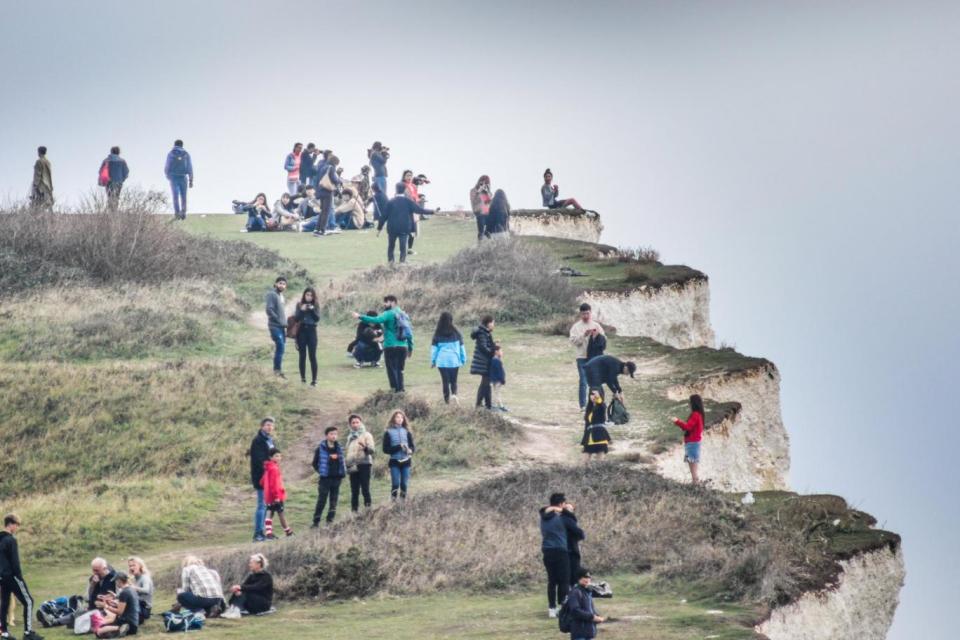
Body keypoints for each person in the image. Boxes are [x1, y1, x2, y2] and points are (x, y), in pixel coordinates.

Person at [353, 296, 413, 392]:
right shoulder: (403, 314)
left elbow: (376, 320)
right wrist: (410, 347)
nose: (384, 304)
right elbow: (409, 332)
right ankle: (401, 391)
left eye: (386, 302)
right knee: (400, 370)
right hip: (403, 347)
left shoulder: (388, 313)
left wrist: (360, 316)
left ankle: (395, 393)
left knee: (391, 371)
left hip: (391, 346)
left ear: (393, 302)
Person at [0, 514, 43, 640]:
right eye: (17, 525)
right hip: (12, 576)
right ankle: (28, 632)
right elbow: (15, 562)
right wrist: (19, 578)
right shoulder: (11, 540)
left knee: (4, 603)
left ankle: (4, 634)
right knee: (29, 601)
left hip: (2, 577)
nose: (17, 528)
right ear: (11, 524)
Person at [376, 185, 435, 264]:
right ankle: (402, 262)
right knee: (403, 247)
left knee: (391, 247)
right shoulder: (408, 201)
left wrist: (379, 229)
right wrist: (432, 211)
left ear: (396, 190)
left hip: (392, 228)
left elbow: (383, 217)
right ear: (405, 190)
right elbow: (420, 210)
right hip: (404, 228)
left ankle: (391, 263)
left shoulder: (390, 202)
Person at [569, 304, 606, 411]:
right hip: (582, 357)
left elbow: (604, 340)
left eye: (588, 313)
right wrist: (583, 335)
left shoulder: (596, 325)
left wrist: (596, 335)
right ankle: (583, 406)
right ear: (580, 314)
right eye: (583, 313)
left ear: (591, 312)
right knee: (583, 381)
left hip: (594, 358)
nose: (586, 315)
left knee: (596, 381)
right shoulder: (576, 327)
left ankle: (598, 403)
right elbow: (572, 341)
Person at [539, 493, 570, 618]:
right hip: (561, 550)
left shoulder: (543, 517)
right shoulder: (561, 518)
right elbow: (571, 515)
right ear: (561, 504)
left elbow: (543, 510)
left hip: (547, 550)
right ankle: (563, 607)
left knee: (552, 581)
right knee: (564, 580)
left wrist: (553, 508)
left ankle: (552, 609)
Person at [311, 427, 346, 526]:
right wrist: (321, 471)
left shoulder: (339, 448)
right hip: (325, 479)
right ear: (327, 435)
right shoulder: (320, 448)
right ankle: (316, 522)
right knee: (322, 500)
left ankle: (330, 521)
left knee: (334, 500)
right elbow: (314, 463)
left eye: (335, 434)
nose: (334, 436)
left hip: (337, 478)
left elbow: (343, 461)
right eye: (331, 434)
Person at [249, 417, 277, 542]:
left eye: (271, 425)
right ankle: (258, 534)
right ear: (262, 426)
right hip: (261, 477)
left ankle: (265, 533)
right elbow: (259, 460)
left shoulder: (270, 440)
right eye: (267, 425)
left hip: (270, 476)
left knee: (266, 505)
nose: (269, 427)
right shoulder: (258, 440)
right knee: (262, 505)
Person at [430, 311, 467, 405]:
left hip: (442, 361)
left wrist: (433, 361)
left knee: (445, 382)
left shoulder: (437, 334)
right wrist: (463, 359)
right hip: (454, 361)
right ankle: (454, 396)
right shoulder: (457, 333)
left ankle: (447, 402)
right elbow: (462, 347)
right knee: (454, 381)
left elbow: (434, 350)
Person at [382, 410, 415, 501]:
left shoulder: (407, 431)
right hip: (394, 462)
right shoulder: (388, 432)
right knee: (395, 484)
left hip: (406, 461)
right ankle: (393, 503)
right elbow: (385, 450)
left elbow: (412, 447)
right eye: (397, 417)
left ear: (404, 419)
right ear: (393, 419)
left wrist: (410, 450)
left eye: (401, 417)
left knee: (404, 484)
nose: (400, 419)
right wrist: (398, 447)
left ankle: (402, 504)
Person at [672, 394, 705, 484]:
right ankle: (696, 486)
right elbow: (691, 428)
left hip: (692, 445)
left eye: (689, 402)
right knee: (694, 468)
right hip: (694, 444)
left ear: (693, 404)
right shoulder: (699, 415)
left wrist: (677, 421)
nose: (688, 404)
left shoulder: (695, 415)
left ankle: (696, 487)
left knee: (693, 471)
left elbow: (688, 427)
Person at [345, 414, 375, 511]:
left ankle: (368, 511)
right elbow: (348, 451)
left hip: (364, 464)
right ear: (350, 424)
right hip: (352, 466)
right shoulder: (349, 437)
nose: (355, 424)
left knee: (365, 488)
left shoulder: (367, 435)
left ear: (360, 422)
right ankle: (354, 513)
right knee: (354, 491)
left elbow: (372, 450)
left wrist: (365, 447)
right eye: (353, 422)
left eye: (357, 422)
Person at [261, 448, 293, 538]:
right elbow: (273, 484)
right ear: (271, 457)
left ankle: (268, 533)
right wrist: (276, 496)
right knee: (281, 513)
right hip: (276, 496)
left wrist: (266, 490)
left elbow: (262, 482)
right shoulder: (274, 468)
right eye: (276, 456)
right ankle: (288, 532)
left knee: (270, 512)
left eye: (280, 456)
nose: (279, 458)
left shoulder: (268, 467)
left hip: (268, 496)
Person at [95, 572, 138, 638]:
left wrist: (106, 606)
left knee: (98, 632)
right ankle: (119, 629)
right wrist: (114, 603)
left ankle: (119, 628)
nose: (115, 583)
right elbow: (128, 606)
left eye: (116, 581)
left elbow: (120, 612)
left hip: (128, 623)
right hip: (133, 623)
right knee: (101, 628)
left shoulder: (124, 592)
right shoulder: (131, 589)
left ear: (119, 581)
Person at [566, 568, 605, 640]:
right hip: (579, 633)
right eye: (585, 577)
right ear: (579, 578)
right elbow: (575, 611)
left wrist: (597, 616)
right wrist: (592, 617)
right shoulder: (575, 592)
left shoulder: (587, 592)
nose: (587, 580)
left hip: (588, 632)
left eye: (589, 577)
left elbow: (591, 609)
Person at [294, 287, 320, 386]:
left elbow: (317, 319)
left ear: (313, 296)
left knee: (312, 355)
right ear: (304, 295)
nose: (309, 297)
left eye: (311, 295)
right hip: (301, 331)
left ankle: (314, 380)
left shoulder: (316, 304)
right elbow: (296, 319)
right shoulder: (299, 304)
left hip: (312, 330)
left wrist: (312, 310)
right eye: (307, 295)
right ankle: (303, 379)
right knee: (302, 355)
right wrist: (302, 310)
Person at [469, 315, 496, 409]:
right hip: (483, 363)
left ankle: (487, 405)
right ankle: (479, 405)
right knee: (485, 384)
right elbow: (483, 348)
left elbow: (486, 346)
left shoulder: (485, 332)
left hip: (485, 362)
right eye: (493, 323)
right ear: (488, 323)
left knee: (486, 384)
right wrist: (493, 351)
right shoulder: (482, 333)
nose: (494, 325)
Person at [314, 155, 343, 236]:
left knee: (322, 211)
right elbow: (334, 179)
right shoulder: (331, 168)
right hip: (327, 191)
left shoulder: (323, 167)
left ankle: (317, 229)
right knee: (326, 212)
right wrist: (339, 180)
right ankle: (322, 230)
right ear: (335, 162)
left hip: (321, 190)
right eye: (336, 164)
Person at [165, 140, 194, 220]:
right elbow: (190, 167)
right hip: (183, 177)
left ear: (174, 145)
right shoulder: (186, 154)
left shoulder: (171, 153)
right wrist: (191, 179)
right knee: (183, 196)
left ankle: (177, 213)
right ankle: (183, 213)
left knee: (175, 196)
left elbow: (167, 165)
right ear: (182, 145)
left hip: (173, 177)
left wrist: (168, 176)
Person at [265, 277, 288, 378]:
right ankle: (277, 371)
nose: (282, 285)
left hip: (282, 327)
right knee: (280, 347)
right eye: (280, 283)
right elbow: (269, 310)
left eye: (283, 284)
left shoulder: (281, 296)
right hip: (275, 326)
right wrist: (278, 320)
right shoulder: (272, 294)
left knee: (281, 349)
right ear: (275, 284)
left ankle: (278, 370)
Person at [581, 389, 611, 461]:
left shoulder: (602, 406)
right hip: (589, 437)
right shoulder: (589, 409)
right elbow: (586, 426)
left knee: (599, 462)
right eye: (591, 394)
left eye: (595, 394)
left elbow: (601, 404)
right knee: (584, 462)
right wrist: (584, 441)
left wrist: (598, 398)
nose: (593, 396)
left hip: (600, 437)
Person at [560, 504, 585, 585]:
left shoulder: (558, 519)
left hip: (561, 550)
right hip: (571, 550)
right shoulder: (568, 519)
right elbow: (580, 533)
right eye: (570, 508)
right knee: (574, 573)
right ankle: (573, 592)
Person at [125, 557, 153, 624]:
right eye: (130, 566)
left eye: (134, 565)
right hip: (137, 605)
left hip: (144, 608)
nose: (131, 568)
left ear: (140, 566)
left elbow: (146, 590)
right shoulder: (134, 578)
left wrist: (134, 588)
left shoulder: (145, 578)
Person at [469, 175, 492, 241]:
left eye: (486, 183)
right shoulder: (473, 191)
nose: (483, 185)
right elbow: (474, 200)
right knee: (481, 232)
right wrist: (478, 191)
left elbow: (489, 203)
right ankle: (479, 246)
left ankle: (488, 246)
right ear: (478, 182)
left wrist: (488, 191)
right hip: (479, 213)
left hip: (487, 213)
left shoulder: (486, 192)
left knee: (489, 232)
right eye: (482, 183)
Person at [489, 344, 508, 412]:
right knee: (496, 393)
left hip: (496, 380)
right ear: (496, 351)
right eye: (501, 351)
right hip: (497, 380)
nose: (502, 352)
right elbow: (500, 372)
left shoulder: (495, 360)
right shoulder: (496, 360)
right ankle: (494, 406)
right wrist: (502, 380)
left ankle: (501, 406)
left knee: (497, 393)